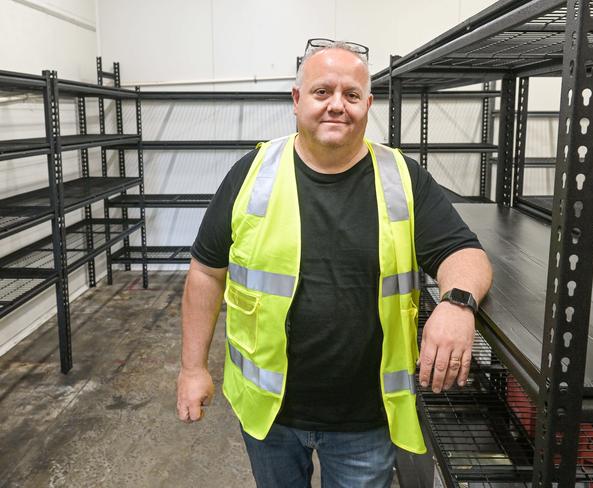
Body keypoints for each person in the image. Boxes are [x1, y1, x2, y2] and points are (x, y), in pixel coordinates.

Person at [177, 38, 492, 488]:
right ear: (297, 99)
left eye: (351, 94)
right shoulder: (253, 173)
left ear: (368, 103)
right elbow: (206, 272)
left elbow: (465, 253)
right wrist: (192, 368)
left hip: (364, 419)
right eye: (322, 92)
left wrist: (457, 303)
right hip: (270, 415)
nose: (336, 106)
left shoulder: (402, 178)